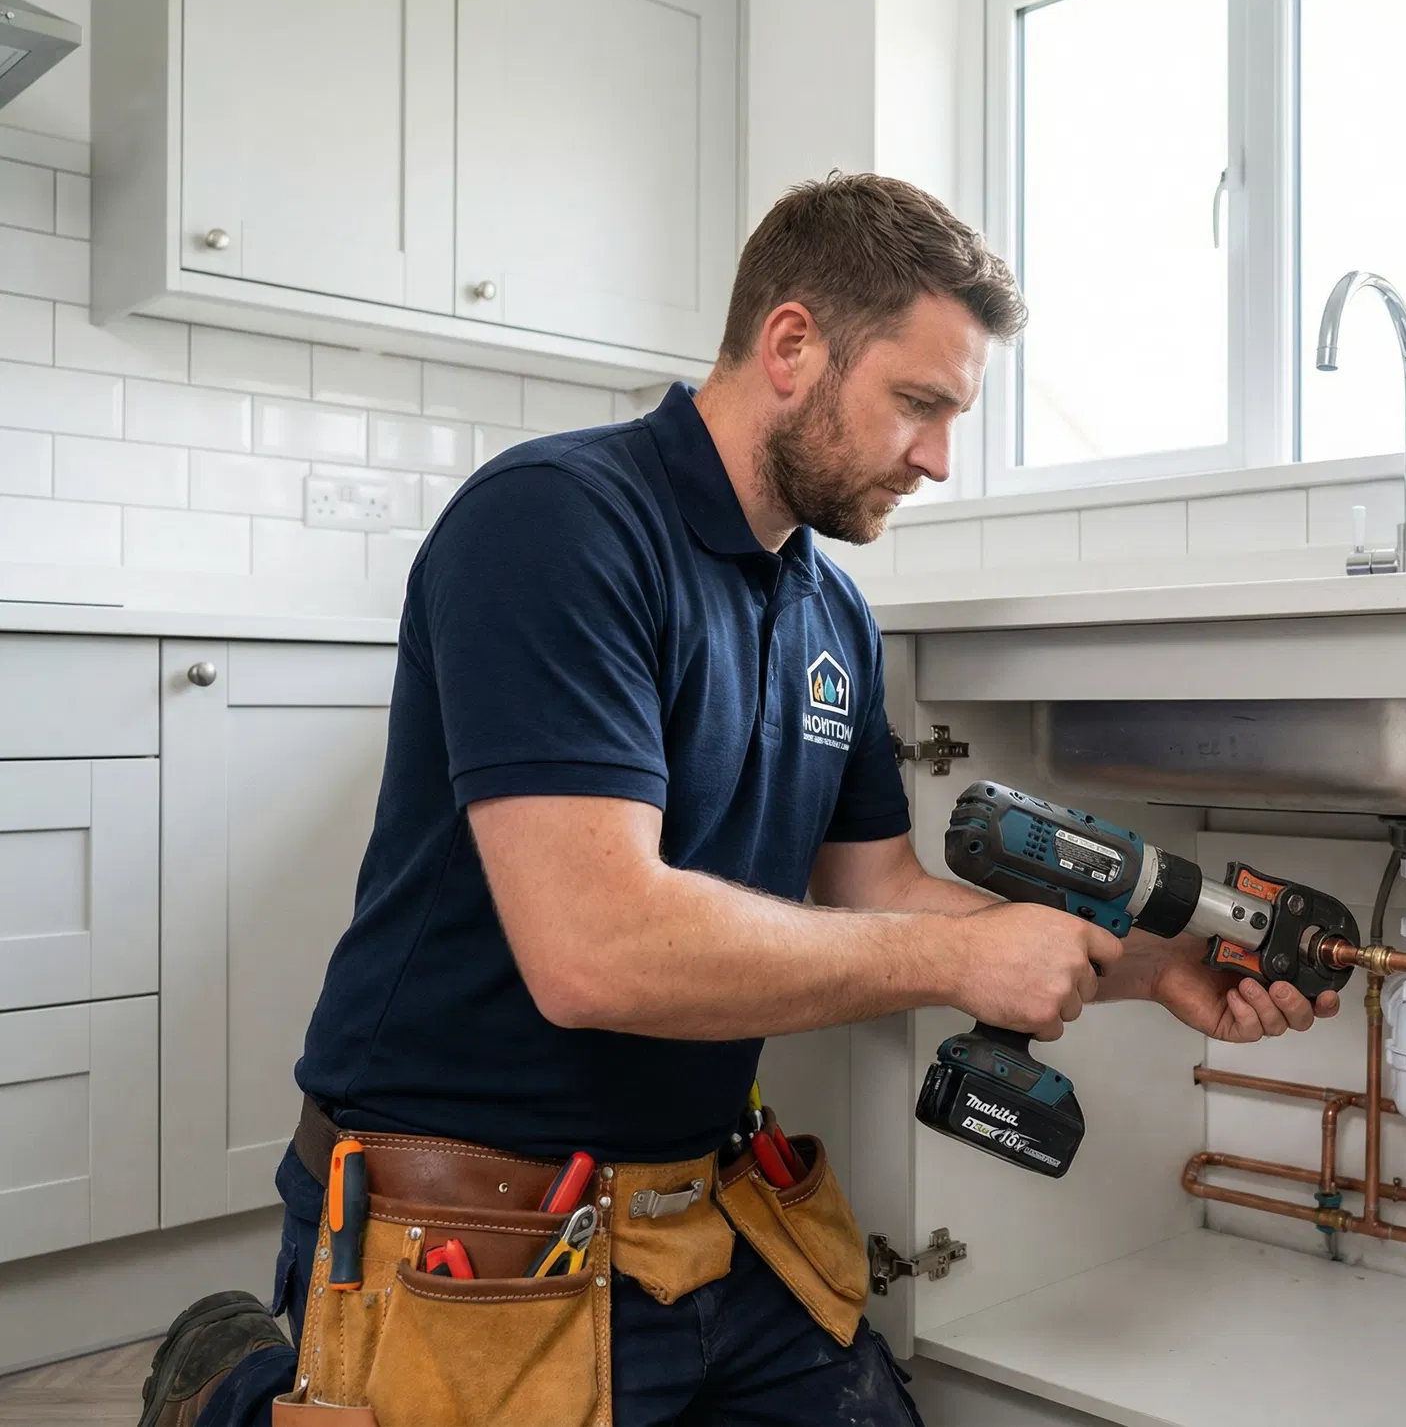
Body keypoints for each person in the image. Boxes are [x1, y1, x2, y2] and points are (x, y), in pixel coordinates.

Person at [137, 173, 1338, 1427]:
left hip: (699, 1213)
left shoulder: (830, 611)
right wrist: (963, 955)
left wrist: (1159, 967)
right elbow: (593, 952)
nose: (936, 457)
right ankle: (228, 1385)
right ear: (791, 344)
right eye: (917, 405)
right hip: (468, 1224)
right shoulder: (555, 525)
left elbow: (877, 892)